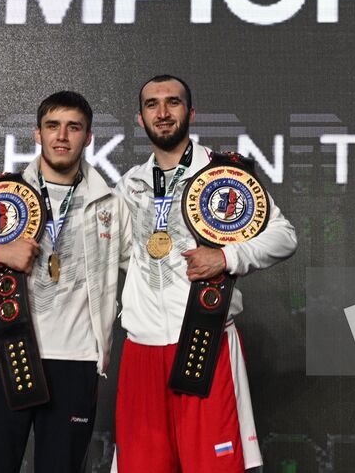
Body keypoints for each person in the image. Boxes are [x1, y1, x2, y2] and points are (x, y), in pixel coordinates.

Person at [0, 90, 130, 473]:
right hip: (5, 356)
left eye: (74, 128)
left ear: (88, 138)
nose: (62, 136)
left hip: (75, 362)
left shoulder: (110, 204)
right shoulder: (0, 194)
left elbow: (143, 269)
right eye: (53, 126)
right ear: (37, 133)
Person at [114, 74, 298, 473]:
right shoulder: (129, 184)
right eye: (152, 105)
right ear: (140, 118)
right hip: (141, 351)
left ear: (191, 113)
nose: (163, 113)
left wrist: (227, 258)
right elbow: (123, 253)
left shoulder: (224, 173)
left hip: (203, 341)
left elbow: (284, 237)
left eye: (173, 102)